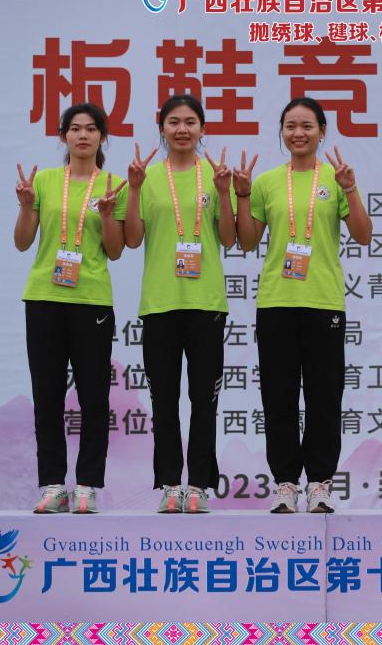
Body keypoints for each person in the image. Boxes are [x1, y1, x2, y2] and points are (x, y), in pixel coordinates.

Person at [235, 97, 372, 513]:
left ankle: (320, 484)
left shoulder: (336, 178)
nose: (299, 133)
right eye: (291, 126)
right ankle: (285, 484)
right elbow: (247, 241)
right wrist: (243, 196)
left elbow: (364, 235)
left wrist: (350, 188)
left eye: (307, 126)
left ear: (322, 132)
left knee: (324, 397)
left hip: (323, 302)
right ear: (282, 132)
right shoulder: (267, 182)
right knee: (278, 396)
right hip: (276, 301)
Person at [123, 94, 241, 513]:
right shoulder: (147, 177)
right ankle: (171, 484)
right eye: (174, 122)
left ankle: (199, 486)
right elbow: (132, 239)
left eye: (191, 122)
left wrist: (224, 194)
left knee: (204, 400)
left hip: (206, 301)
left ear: (203, 129)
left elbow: (229, 238)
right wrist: (134, 189)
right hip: (160, 303)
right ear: (162, 129)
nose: (182, 129)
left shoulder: (216, 176)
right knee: (164, 400)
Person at [14, 103, 126, 514]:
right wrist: (26, 205)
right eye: (75, 129)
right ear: (63, 136)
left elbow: (116, 250)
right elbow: (22, 242)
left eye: (91, 129)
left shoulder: (113, 185)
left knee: (94, 397)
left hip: (91, 299)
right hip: (44, 297)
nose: (83, 135)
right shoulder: (44, 181)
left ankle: (88, 485)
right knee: (47, 395)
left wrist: (109, 214)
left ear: (102, 137)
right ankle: (52, 484)